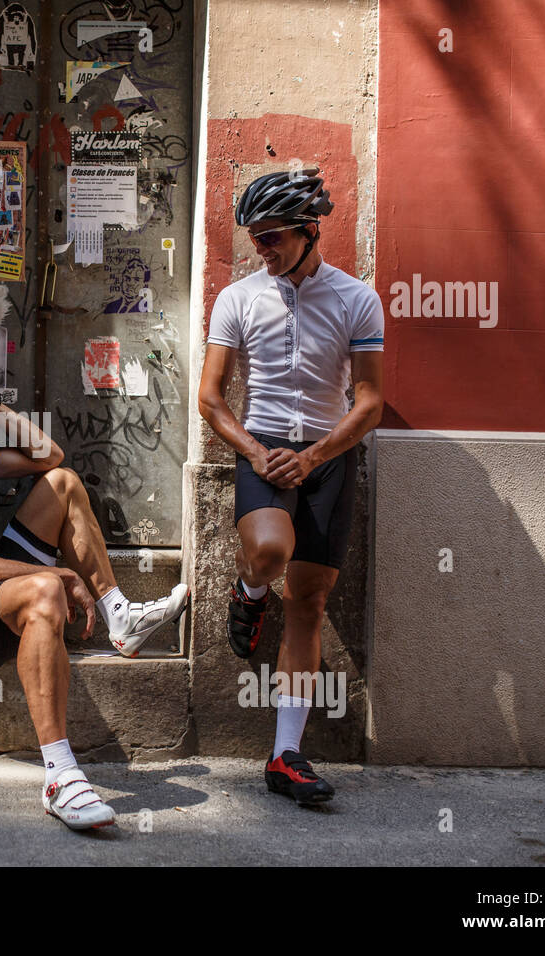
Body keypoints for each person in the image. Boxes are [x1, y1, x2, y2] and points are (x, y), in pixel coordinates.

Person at [0, 359, 189, 830]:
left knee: (62, 484)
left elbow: (51, 456)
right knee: (43, 587)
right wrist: (61, 575)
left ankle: (118, 614)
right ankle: (61, 777)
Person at [197, 168, 384, 806]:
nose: (262, 250)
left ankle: (284, 756)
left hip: (328, 457)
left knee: (308, 604)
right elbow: (211, 397)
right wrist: (257, 453)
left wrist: (315, 459)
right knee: (272, 552)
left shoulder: (357, 299)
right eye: (255, 239)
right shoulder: (238, 297)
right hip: (264, 447)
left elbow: (370, 403)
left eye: (272, 237)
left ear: (309, 231)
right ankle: (249, 591)